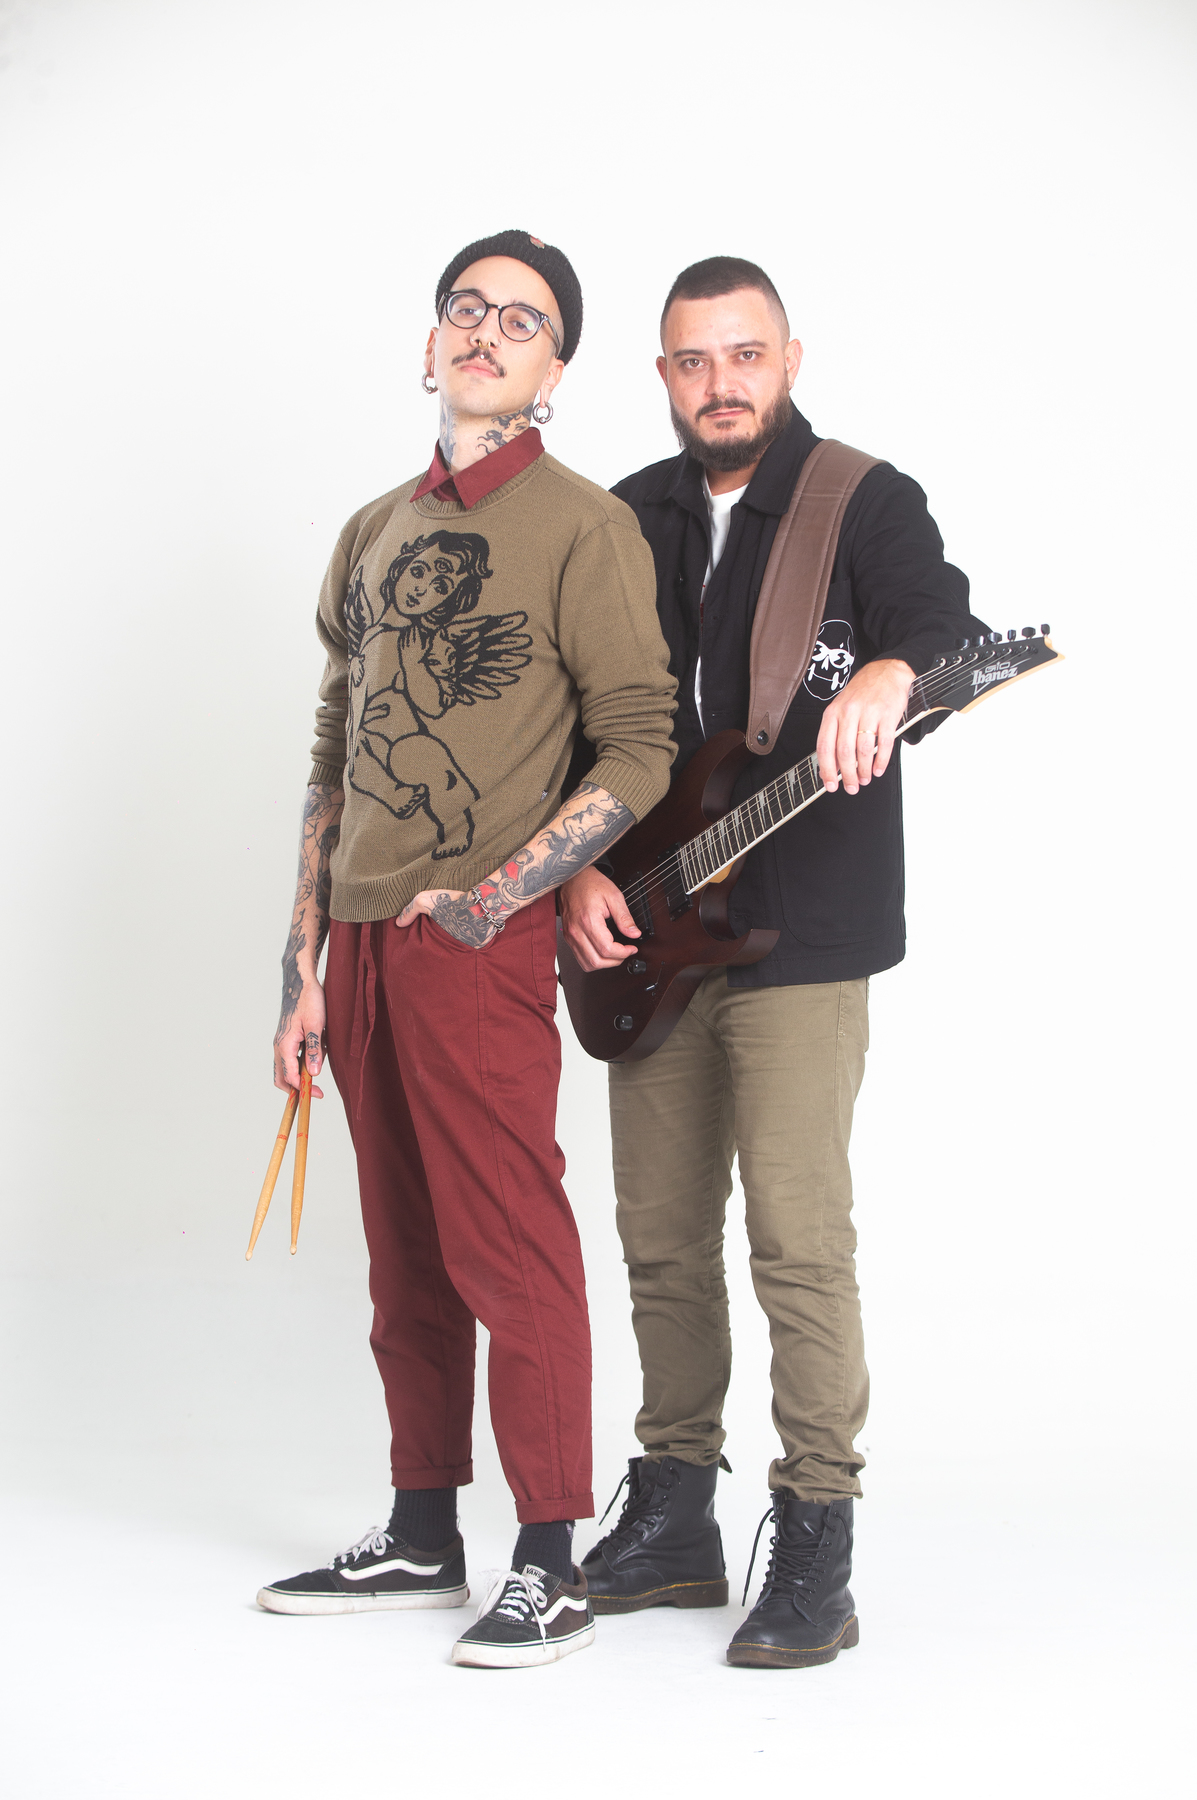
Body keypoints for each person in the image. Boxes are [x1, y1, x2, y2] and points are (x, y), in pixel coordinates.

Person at [560, 256, 989, 1669]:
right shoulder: (627, 515)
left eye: (745, 354)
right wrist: (578, 877)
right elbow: (576, 722)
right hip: (649, 934)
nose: (722, 383)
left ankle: (816, 1531)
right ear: (663, 374)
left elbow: (940, 628)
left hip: (803, 935)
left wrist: (893, 676)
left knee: (798, 1243)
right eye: (694, 360)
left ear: (789, 357)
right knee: (660, 1239)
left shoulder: (862, 499)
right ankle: (675, 1508)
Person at [256, 229, 677, 1671]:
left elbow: (640, 745)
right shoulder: (373, 530)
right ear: (430, 341)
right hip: (361, 941)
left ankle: (550, 1557)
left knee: (510, 1242)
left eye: (524, 320)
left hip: (476, 939)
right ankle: (423, 1529)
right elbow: (334, 744)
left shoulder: (583, 527)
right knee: (405, 1251)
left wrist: (503, 897)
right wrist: (301, 969)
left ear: (557, 368)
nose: (488, 331)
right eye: (467, 308)